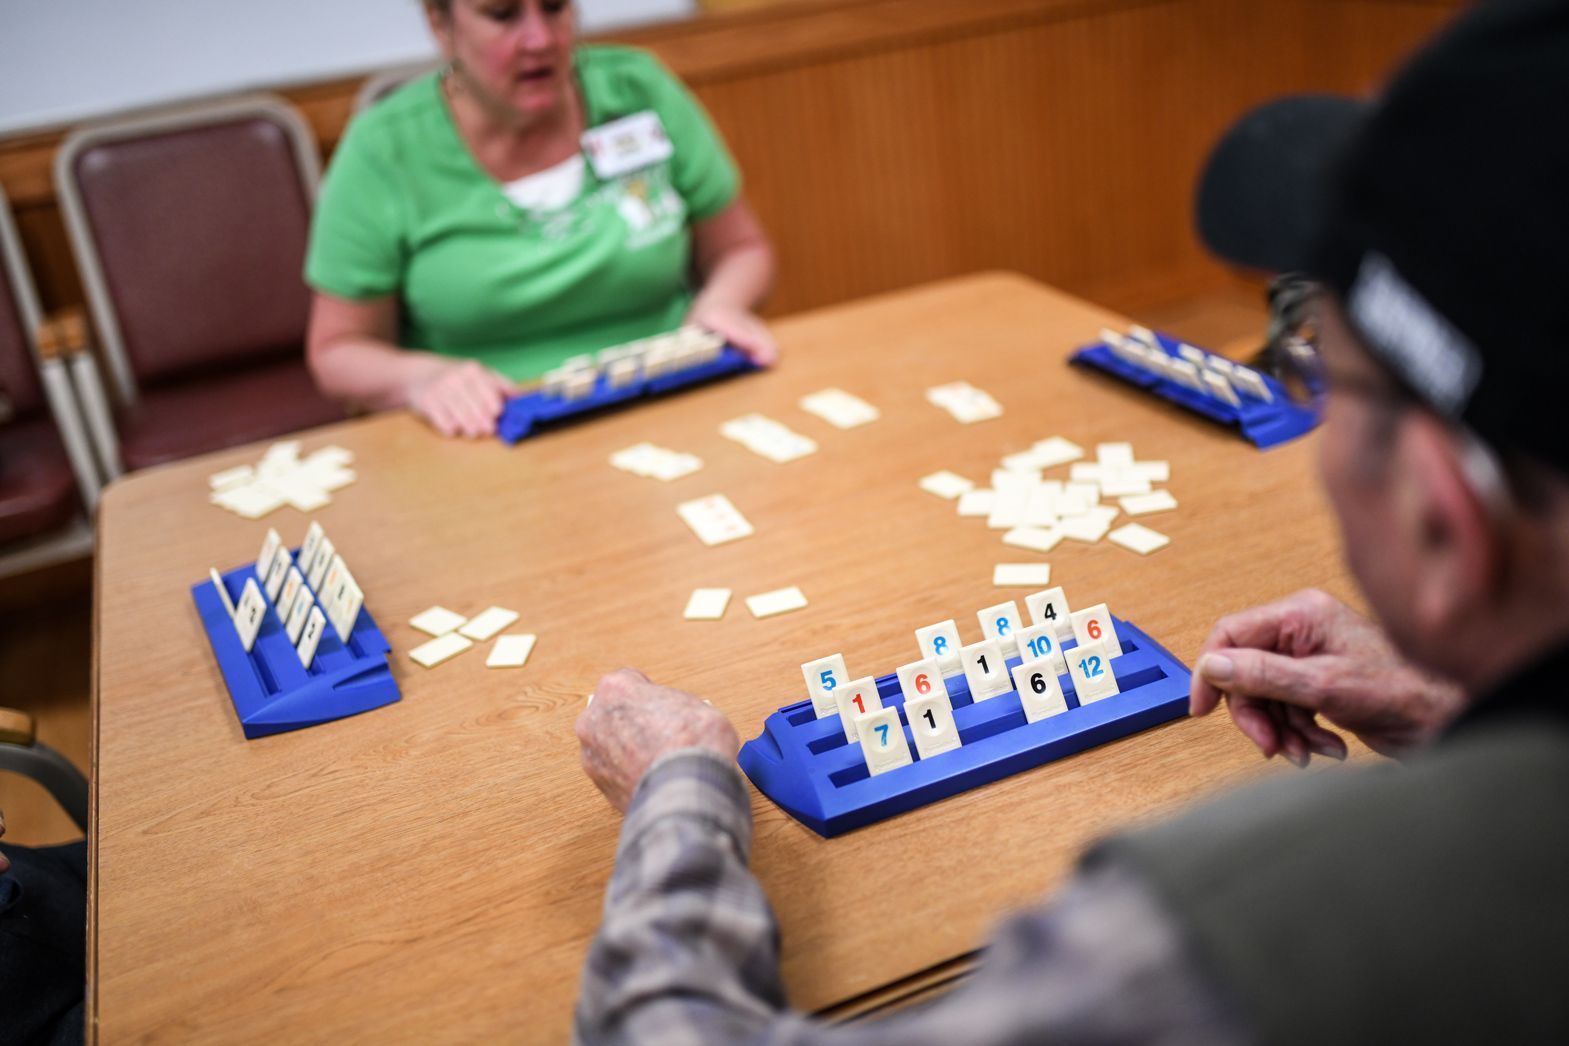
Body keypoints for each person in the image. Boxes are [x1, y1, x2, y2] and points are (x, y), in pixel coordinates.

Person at [571, 0, 1569, 1041]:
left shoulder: (1233, 925)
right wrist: (1458, 707)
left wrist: (677, 796)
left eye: (1329, 375)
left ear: (1445, 523)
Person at [304, 0, 777, 439]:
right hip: (491, 427)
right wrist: (420, 379)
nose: (540, 40)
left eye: (554, 7)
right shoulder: (383, 149)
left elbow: (741, 249)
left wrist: (722, 305)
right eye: (503, 13)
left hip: (674, 391)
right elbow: (338, 352)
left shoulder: (637, 90)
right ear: (439, 23)